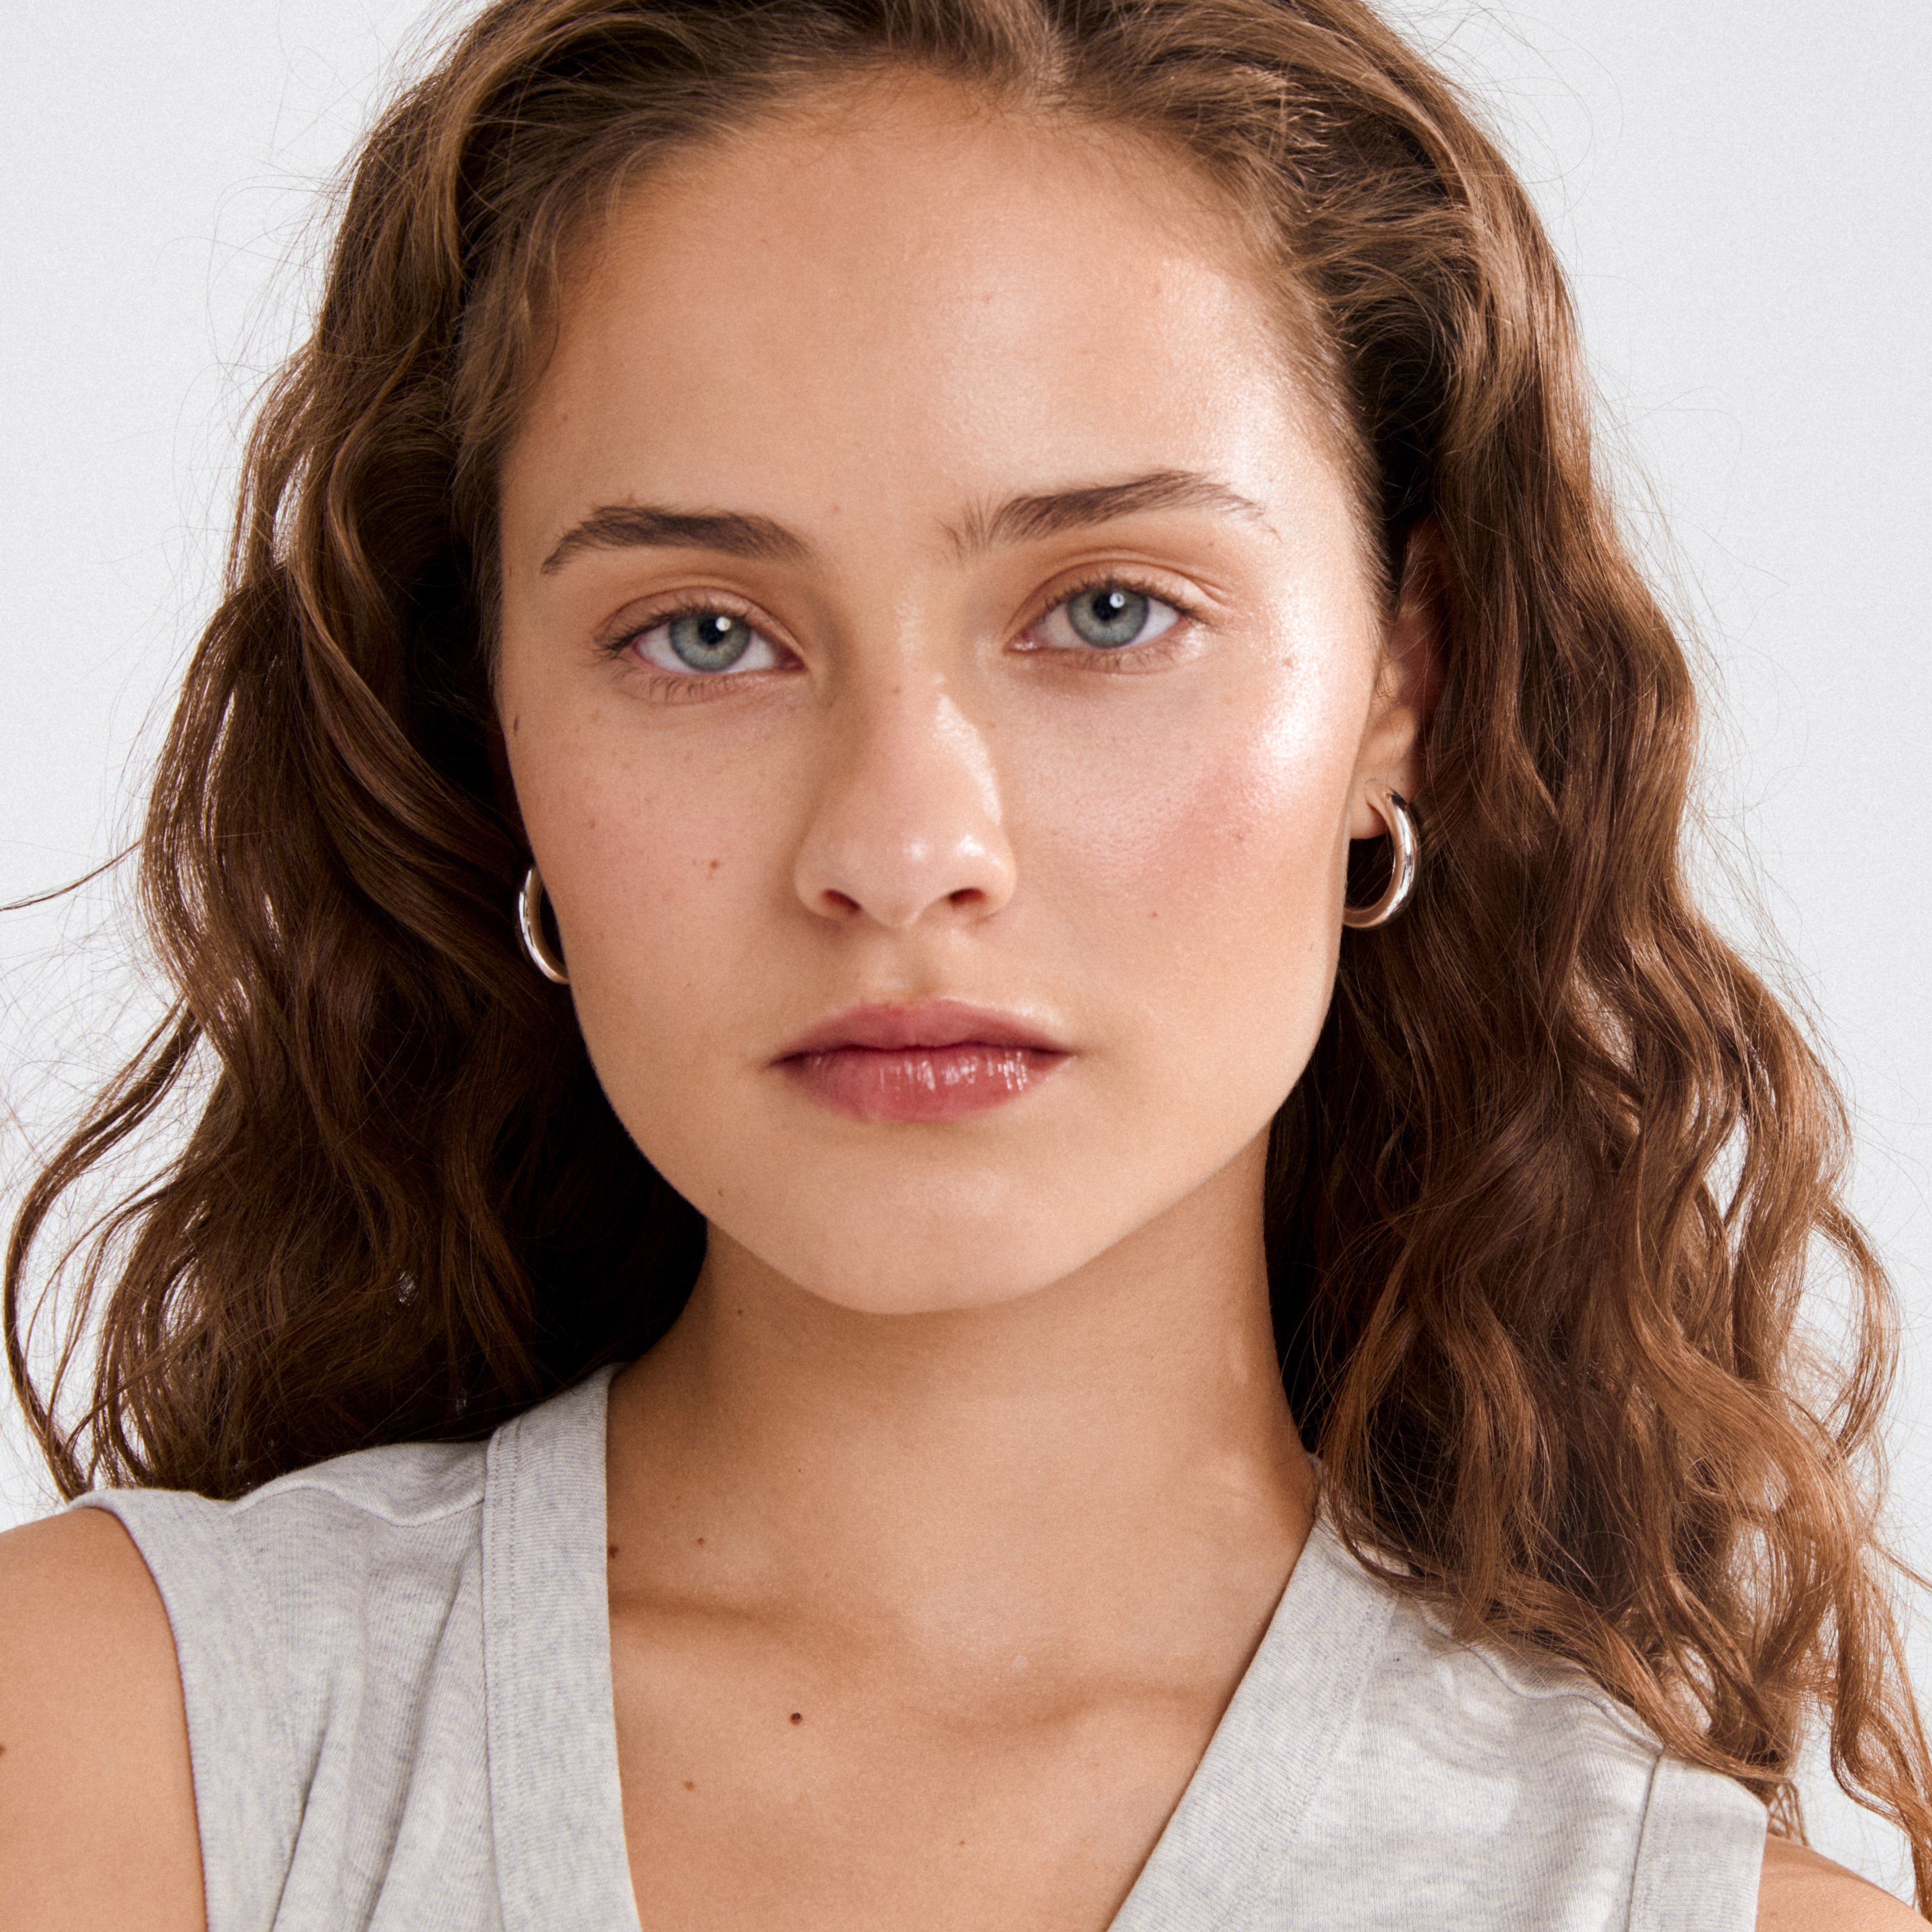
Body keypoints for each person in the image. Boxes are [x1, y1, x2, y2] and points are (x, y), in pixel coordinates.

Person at [1, 0, 1926, 1925]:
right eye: (700, 635)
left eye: (1106, 609)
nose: (901, 851)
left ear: (1403, 675)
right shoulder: (107, 1752)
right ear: (487, 712)